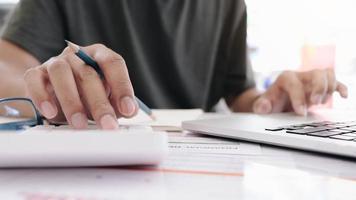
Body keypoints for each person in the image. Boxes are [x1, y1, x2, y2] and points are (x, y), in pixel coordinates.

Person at [0, 0, 348, 129]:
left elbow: (240, 93)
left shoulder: (228, 5)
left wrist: (272, 102)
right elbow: (7, 65)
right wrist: (51, 86)